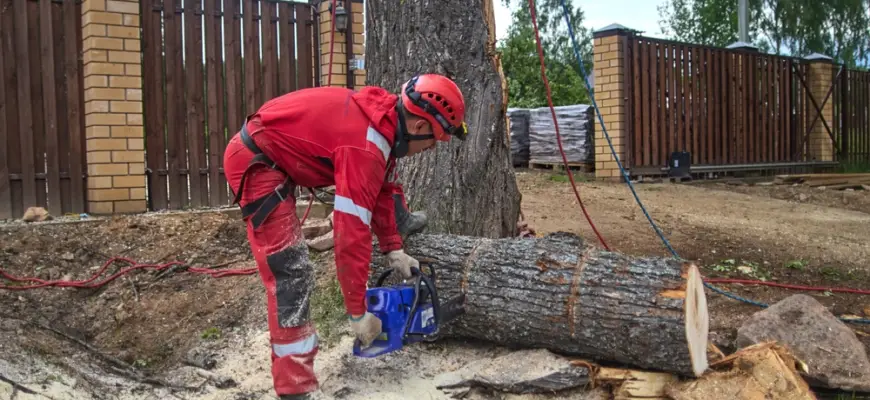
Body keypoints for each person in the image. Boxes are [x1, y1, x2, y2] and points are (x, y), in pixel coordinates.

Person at [222, 74, 468, 399]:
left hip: (279, 158)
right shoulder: (364, 145)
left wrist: (393, 248)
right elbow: (351, 235)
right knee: (290, 274)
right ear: (420, 127)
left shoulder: (385, 124)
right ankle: (295, 388)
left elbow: (383, 191)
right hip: (256, 162)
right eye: (434, 140)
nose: (430, 148)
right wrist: (357, 312)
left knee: (295, 270)